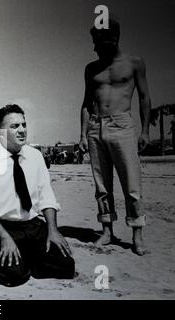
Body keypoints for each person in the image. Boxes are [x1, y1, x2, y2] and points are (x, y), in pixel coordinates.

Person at [0, 104, 75, 287]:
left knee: (65, 267)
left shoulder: (35, 156)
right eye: (14, 126)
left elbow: (46, 197)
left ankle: (25, 256)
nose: (22, 130)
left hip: (33, 226)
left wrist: (53, 230)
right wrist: (5, 238)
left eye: (23, 125)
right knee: (12, 276)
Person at [78, 18, 151, 255]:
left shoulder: (134, 63)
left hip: (122, 124)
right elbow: (86, 103)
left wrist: (146, 131)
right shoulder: (91, 68)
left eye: (98, 42)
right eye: (94, 42)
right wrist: (82, 134)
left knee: (131, 184)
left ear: (113, 38)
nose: (95, 48)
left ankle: (137, 235)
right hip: (95, 127)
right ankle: (107, 231)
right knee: (102, 186)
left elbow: (144, 97)